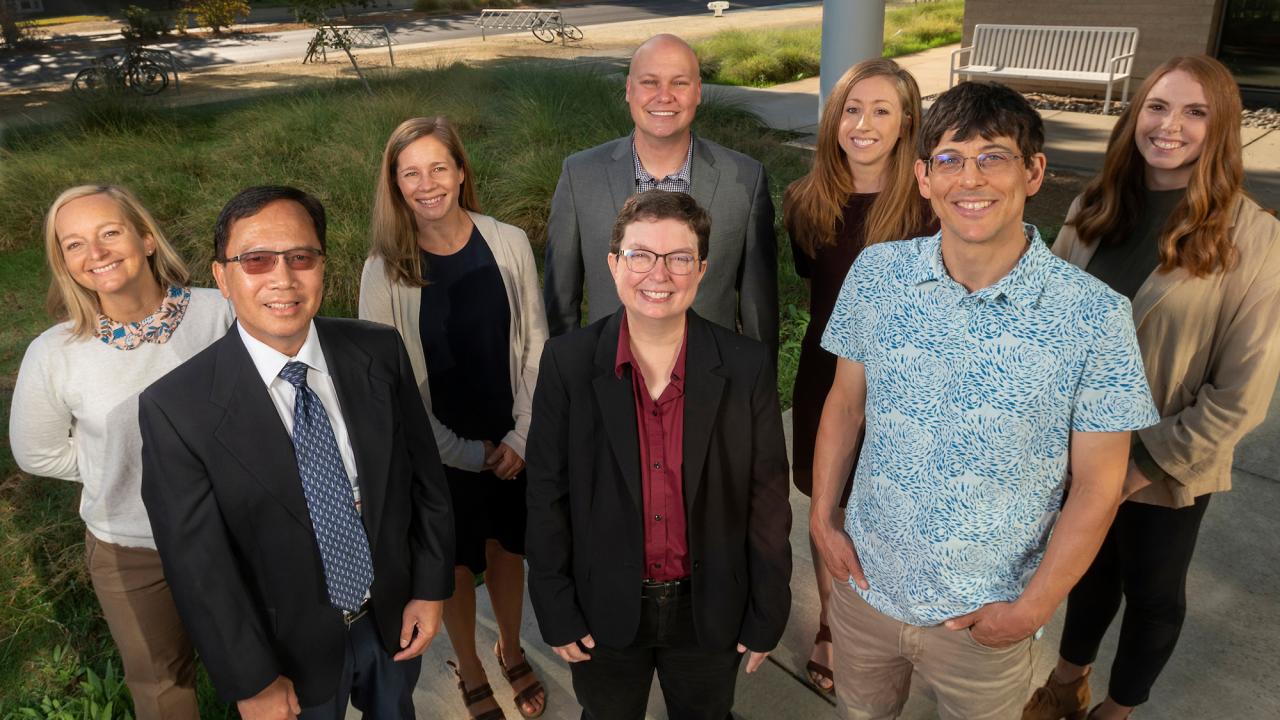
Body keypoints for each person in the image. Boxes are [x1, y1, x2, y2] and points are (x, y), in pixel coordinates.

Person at [809, 82, 1161, 720]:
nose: (970, 178)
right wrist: (822, 517)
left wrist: (1032, 609)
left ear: (1033, 172)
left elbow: (1098, 486)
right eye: (950, 159)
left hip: (987, 619)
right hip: (866, 587)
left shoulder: (1094, 317)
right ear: (922, 177)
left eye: (994, 157)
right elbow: (844, 404)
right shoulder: (876, 275)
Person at [1024, 55, 1280, 720]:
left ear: (1221, 128)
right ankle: (1064, 683)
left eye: (1195, 112)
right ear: (1135, 114)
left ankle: (1117, 709)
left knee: (1153, 591)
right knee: (1085, 571)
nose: (1170, 125)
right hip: (1079, 449)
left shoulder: (1255, 239)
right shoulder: (1093, 205)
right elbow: (1047, 324)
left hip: (1166, 463)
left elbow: (1241, 394)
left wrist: (1135, 466)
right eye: (1158, 106)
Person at [138, 185, 456, 720]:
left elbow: (425, 481)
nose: (282, 279)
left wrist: (429, 587)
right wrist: (252, 680)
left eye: (300, 258)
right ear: (222, 277)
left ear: (322, 266)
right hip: (285, 656)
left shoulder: (377, 351)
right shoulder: (177, 409)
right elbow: (200, 569)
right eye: (256, 261)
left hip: (391, 618)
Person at [526, 190, 791, 720]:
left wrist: (768, 608)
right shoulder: (569, 363)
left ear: (702, 269)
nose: (659, 273)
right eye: (641, 254)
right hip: (603, 605)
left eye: (679, 257)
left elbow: (767, 500)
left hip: (708, 606)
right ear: (613, 264)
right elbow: (546, 494)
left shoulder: (744, 366)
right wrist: (554, 604)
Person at [10, 185, 233, 720]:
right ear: (64, 262)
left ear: (147, 238)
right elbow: (36, 453)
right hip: (131, 548)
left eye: (110, 233)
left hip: (234, 531)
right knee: (161, 686)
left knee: (273, 663)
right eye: (75, 245)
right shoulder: (55, 353)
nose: (97, 253)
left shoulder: (221, 314)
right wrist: (113, 467)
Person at [359, 116, 550, 720]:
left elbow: (535, 344)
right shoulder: (383, 268)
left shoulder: (508, 240)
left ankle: (512, 648)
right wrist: (465, 452)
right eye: (409, 172)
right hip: (437, 448)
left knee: (508, 551)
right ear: (394, 184)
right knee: (458, 563)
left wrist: (522, 433)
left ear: (462, 171)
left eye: (438, 167)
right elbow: (389, 384)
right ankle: (469, 667)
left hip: (512, 432)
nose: (426, 183)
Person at [782, 58, 936, 695]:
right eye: (851, 109)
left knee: (895, 506)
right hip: (825, 376)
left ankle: (892, 620)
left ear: (906, 123)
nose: (864, 123)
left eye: (881, 110)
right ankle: (830, 621)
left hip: (908, 384)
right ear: (834, 119)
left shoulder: (929, 204)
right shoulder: (805, 201)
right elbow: (811, 285)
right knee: (829, 506)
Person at [543, 33, 778, 357]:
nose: (664, 96)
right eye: (650, 82)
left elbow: (758, 316)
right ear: (629, 89)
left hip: (713, 388)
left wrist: (756, 396)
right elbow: (560, 305)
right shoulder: (580, 176)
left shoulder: (745, 181)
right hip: (608, 386)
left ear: (698, 91)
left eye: (679, 83)